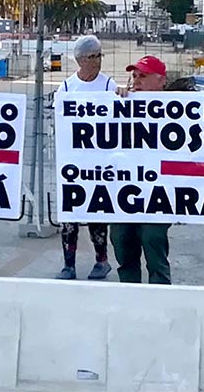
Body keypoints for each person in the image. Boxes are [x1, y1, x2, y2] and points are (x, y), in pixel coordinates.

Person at [55, 35, 116, 280]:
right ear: (80, 60)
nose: (97, 61)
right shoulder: (68, 88)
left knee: (97, 213)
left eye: (99, 55)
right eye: (92, 56)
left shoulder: (108, 85)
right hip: (74, 162)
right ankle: (68, 264)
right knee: (69, 215)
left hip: (99, 161)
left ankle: (102, 260)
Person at [110, 55, 172, 284]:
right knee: (121, 241)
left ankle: (161, 300)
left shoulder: (177, 110)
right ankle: (130, 299)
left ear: (161, 81)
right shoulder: (123, 104)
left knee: (153, 242)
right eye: (134, 76)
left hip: (157, 193)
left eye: (143, 76)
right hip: (124, 190)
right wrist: (114, 103)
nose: (136, 81)